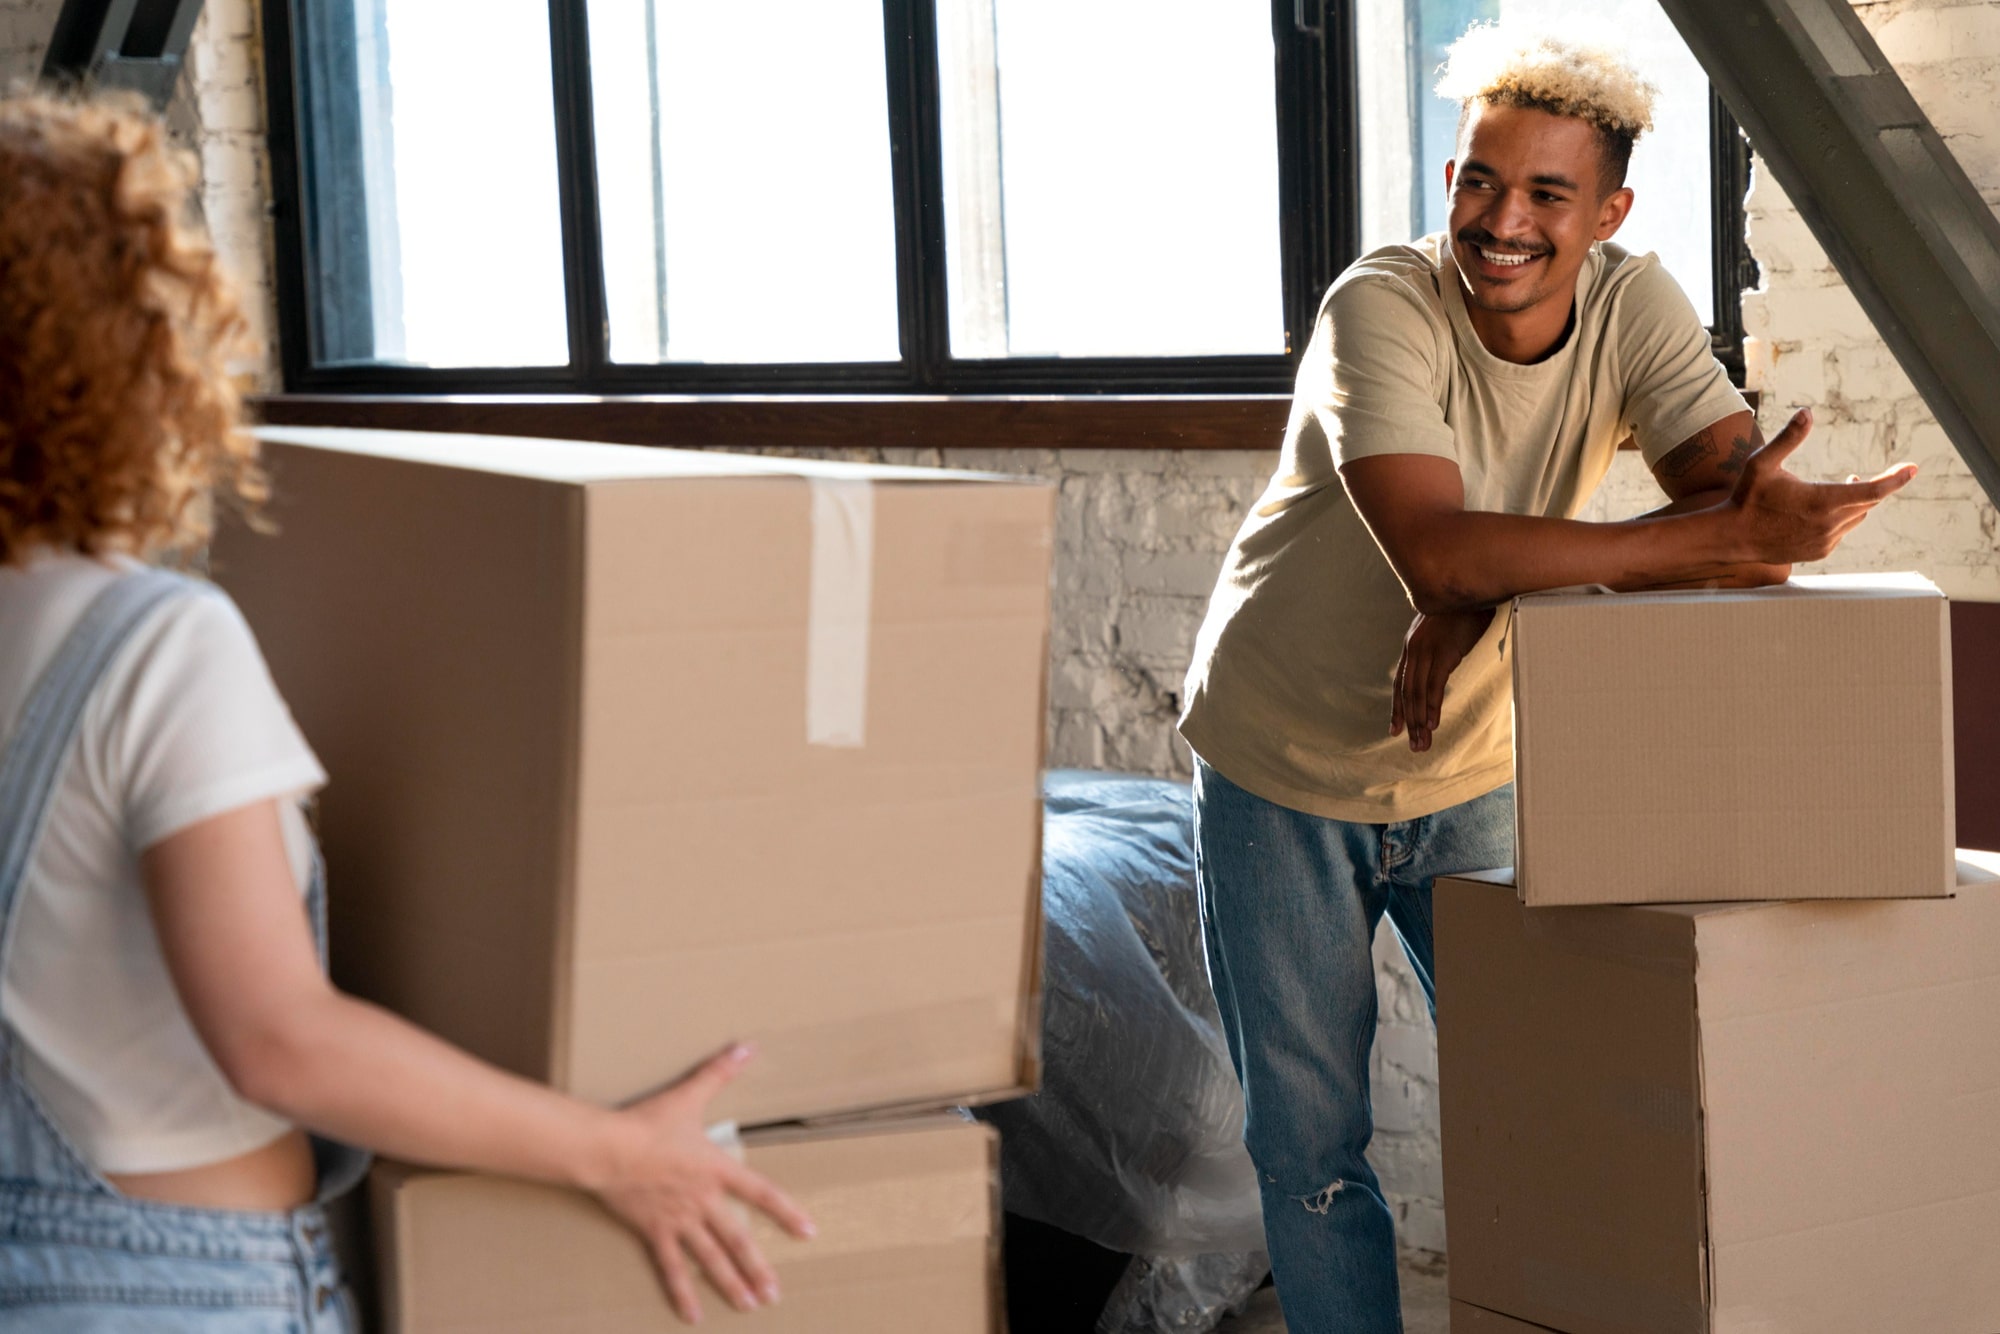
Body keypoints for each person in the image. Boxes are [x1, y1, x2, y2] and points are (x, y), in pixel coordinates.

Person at [0, 93, 810, 1330]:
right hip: (171, 1289)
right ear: (115, 349)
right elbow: (281, 1040)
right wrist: (618, 1152)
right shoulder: (153, 642)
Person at [1179, 25, 1915, 1333]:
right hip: (1283, 761)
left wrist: (1501, 589)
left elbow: (1732, 500)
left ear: (1610, 212)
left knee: (1561, 1098)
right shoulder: (1381, 305)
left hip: (1474, 768)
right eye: (1475, 180)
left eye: (1544, 193)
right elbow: (1440, 544)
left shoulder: (1634, 305)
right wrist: (1478, 576)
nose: (1498, 220)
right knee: (1311, 1150)